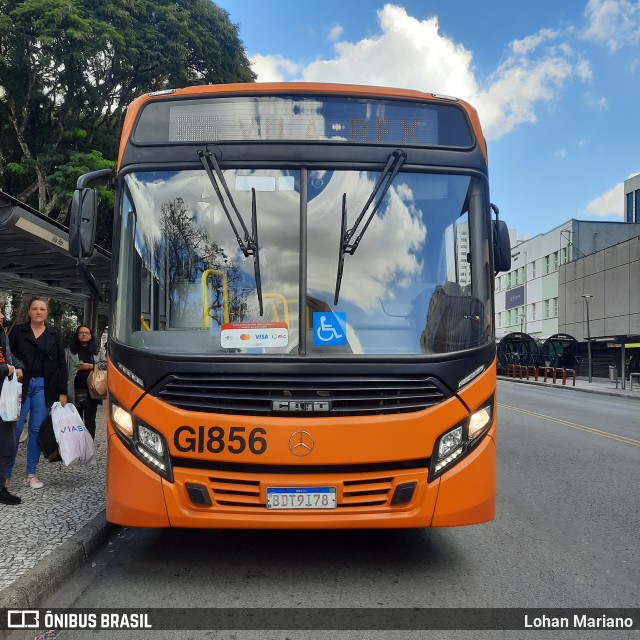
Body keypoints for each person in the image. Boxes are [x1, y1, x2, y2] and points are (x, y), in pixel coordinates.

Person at [6, 297, 67, 489]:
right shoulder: (18, 331)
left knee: (35, 431)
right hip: (20, 385)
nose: (38, 312)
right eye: (35, 308)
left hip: (44, 386)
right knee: (14, 431)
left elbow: (60, 365)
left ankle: (31, 474)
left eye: (42, 309)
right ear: (29, 311)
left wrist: (63, 392)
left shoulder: (54, 334)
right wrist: (16, 367)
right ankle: (5, 474)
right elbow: (8, 355)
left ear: (47, 312)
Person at [0, 307, 25, 505]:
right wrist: (6, 369)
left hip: (4, 399)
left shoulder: (2, 333)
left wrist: (19, 366)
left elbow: (10, 358)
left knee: (7, 443)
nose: (1, 316)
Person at [65, 326, 106, 439]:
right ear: (77, 335)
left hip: (92, 392)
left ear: (91, 335)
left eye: (86, 333)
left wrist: (92, 366)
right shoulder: (69, 351)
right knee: (75, 422)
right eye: (81, 333)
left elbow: (106, 365)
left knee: (90, 422)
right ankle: (77, 447)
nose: (84, 334)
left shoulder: (97, 351)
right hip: (74, 390)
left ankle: (88, 447)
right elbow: (63, 369)